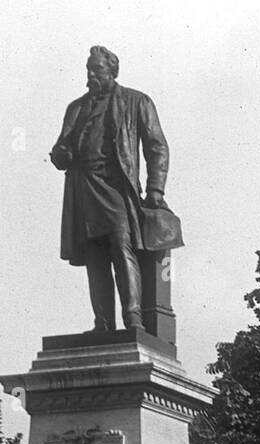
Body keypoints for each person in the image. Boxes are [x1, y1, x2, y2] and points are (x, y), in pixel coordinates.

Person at [50, 44, 169, 332]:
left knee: (120, 247)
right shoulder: (76, 108)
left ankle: (133, 319)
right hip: (84, 188)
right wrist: (60, 154)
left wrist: (155, 189)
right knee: (95, 257)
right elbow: (61, 148)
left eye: (97, 69)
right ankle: (103, 323)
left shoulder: (135, 101)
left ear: (111, 71)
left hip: (116, 188)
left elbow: (157, 147)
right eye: (88, 69)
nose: (91, 74)